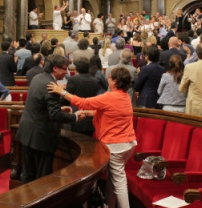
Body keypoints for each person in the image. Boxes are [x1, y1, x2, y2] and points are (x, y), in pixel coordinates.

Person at [47, 67, 136, 208]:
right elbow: (109, 113)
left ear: (115, 81)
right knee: (114, 179)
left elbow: (82, 102)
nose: (107, 79)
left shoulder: (109, 96)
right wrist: (87, 113)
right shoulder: (125, 96)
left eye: (110, 77)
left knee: (119, 181)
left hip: (116, 145)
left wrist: (62, 92)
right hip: (128, 144)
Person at [15, 54, 86, 184]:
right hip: (41, 138)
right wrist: (75, 117)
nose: (66, 72)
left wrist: (59, 108)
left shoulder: (38, 78)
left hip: (27, 134)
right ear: (55, 68)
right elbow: (54, 116)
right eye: (64, 68)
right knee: (43, 178)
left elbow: (40, 105)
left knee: (28, 174)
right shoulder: (51, 86)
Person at [61, 57, 99, 136]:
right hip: (90, 118)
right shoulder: (95, 81)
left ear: (76, 68)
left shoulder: (73, 80)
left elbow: (66, 99)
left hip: (76, 116)